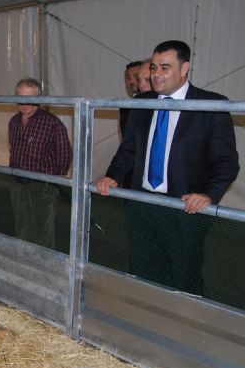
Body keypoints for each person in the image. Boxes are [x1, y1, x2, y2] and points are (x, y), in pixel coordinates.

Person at [96, 40, 239, 295]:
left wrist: (208, 194)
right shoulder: (143, 103)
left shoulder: (211, 105)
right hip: (142, 206)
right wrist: (112, 176)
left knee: (185, 276)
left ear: (185, 69)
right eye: (153, 68)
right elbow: (128, 149)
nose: (156, 74)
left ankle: (185, 328)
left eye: (165, 67)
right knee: (144, 271)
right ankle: (148, 323)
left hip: (184, 209)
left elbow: (226, 161)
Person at [8, 77, 72, 249]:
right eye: (21, 98)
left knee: (43, 233)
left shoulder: (52, 123)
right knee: (22, 230)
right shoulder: (14, 121)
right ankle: (25, 265)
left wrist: (51, 182)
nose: (25, 103)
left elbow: (65, 154)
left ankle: (45, 270)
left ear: (39, 100)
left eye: (30, 98)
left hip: (42, 187)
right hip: (18, 184)